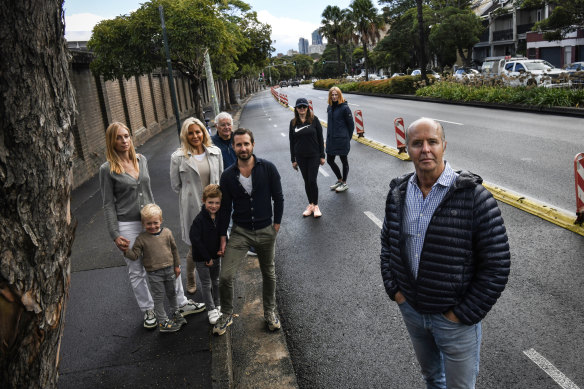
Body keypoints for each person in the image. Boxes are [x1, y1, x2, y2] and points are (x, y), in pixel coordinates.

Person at [380, 118, 511, 388]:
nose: (425, 149)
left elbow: (497, 265)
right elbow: (388, 245)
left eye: (432, 142)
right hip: (413, 312)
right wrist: (397, 291)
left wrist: (462, 314)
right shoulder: (398, 193)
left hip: (455, 320)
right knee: (432, 378)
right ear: (407, 148)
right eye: (417, 143)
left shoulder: (474, 197)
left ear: (444, 146)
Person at [99, 122, 205, 329]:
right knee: (136, 269)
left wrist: (157, 216)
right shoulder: (108, 169)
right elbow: (108, 204)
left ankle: (181, 303)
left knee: (166, 260)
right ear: (112, 141)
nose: (124, 141)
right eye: (119, 137)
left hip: (151, 221)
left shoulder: (141, 160)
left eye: (127, 136)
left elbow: (148, 192)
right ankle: (149, 310)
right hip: (127, 224)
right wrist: (115, 233)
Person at [213, 128, 284, 336]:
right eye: (238, 145)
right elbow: (225, 209)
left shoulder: (268, 168)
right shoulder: (227, 176)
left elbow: (278, 198)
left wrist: (275, 227)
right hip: (240, 232)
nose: (243, 148)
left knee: (269, 273)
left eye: (246, 144)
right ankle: (226, 313)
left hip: (265, 231)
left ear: (252, 144)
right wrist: (222, 238)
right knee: (225, 276)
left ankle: (270, 313)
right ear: (233, 147)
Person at [170, 117, 224, 295]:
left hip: (214, 205)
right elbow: (176, 185)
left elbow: (221, 178)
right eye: (190, 133)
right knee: (196, 244)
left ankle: (214, 279)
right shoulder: (178, 157)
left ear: (203, 132)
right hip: (192, 206)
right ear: (185, 135)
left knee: (216, 241)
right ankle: (191, 278)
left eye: (198, 131)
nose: (195, 136)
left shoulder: (215, 152)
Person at [124, 204, 187, 332]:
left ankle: (176, 313)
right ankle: (163, 322)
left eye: (155, 223)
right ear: (143, 224)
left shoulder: (167, 233)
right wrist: (126, 250)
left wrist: (177, 266)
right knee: (158, 298)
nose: (152, 226)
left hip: (169, 270)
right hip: (154, 274)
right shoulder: (141, 239)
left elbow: (174, 250)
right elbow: (135, 255)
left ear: (161, 221)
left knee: (172, 293)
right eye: (148, 224)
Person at [189, 184, 224, 325]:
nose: (213, 206)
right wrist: (207, 257)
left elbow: (222, 232)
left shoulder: (220, 216)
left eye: (217, 203)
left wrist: (223, 247)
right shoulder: (199, 220)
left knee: (216, 281)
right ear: (204, 201)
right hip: (202, 259)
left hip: (216, 256)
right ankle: (210, 309)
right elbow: (195, 240)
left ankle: (217, 304)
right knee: (206, 283)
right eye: (210, 202)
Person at [289, 97, 325, 218]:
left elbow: (320, 138)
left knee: (312, 180)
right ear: (296, 109)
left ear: (307, 108)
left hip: (314, 155)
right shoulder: (293, 123)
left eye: (304, 106)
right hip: (300, 157)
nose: (302, 109)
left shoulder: (314, 120)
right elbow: (291, 142)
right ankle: (310, 205)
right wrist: (293, 159)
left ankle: (316, 206)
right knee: (306, 181)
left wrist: (322, 155)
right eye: (300, 107)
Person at [326, 86, 354, 193]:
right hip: (331, 139)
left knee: (344, 161)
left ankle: (345, 183)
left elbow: (351, 125)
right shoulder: (329, 107)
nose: (334, 97)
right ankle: (339, 179)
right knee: (330, 160)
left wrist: (348, 138)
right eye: (332, 95)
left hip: (342, 139)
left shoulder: (344, 108)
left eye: (336, 94)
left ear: (339, 95)